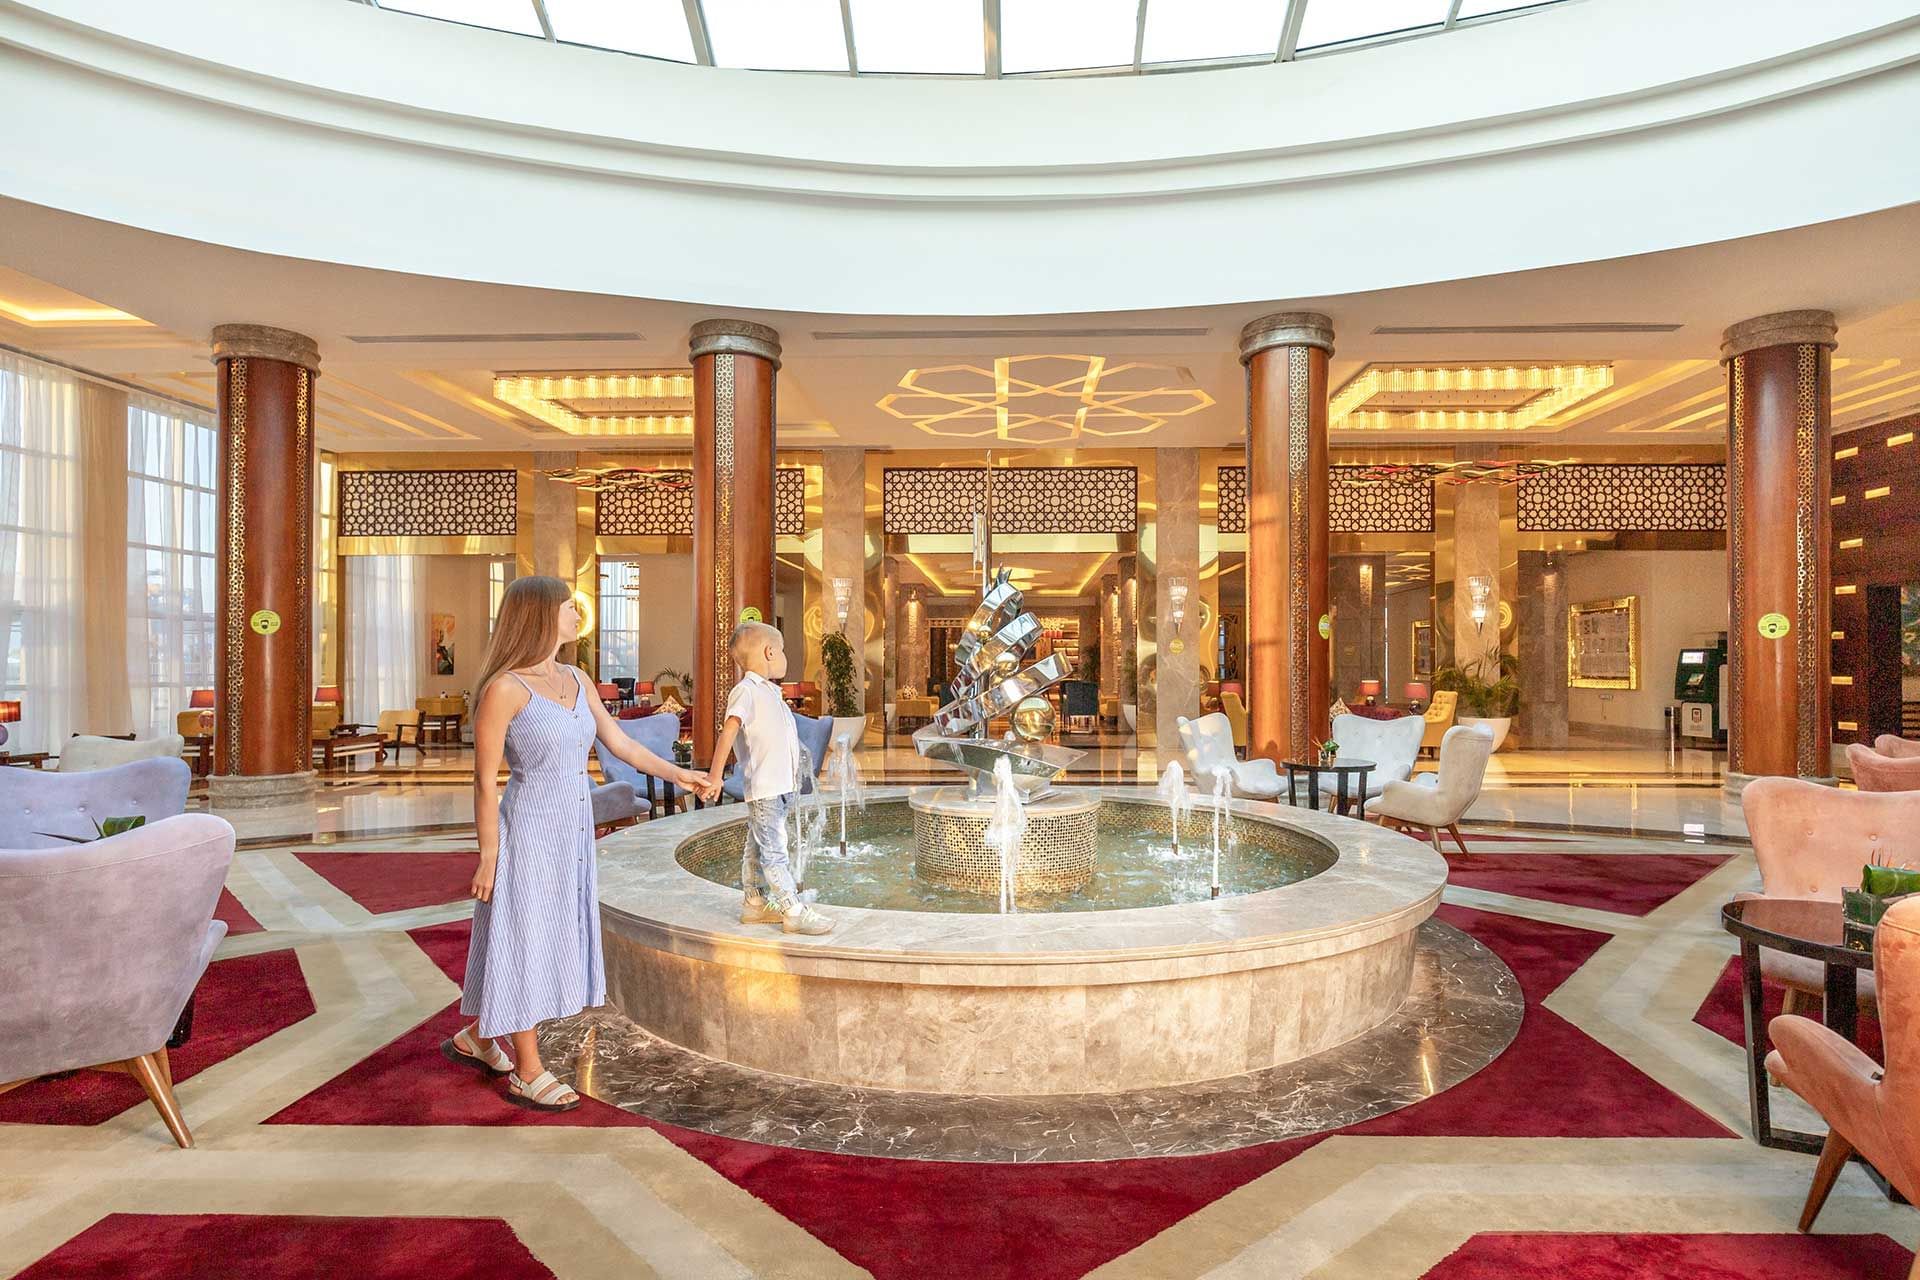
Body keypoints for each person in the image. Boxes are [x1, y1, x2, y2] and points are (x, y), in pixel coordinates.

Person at [441, 575, 708, 1112]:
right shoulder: (505, 688)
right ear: (539, 615)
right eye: (568, 607)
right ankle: (528, 1071)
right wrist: (489, 855)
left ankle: (478, 1035)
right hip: (528, 826)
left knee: (547, 928)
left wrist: (681, 776)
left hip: (572, 827)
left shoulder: (577, 678)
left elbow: (622, 743)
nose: (576, 615)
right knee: (525, 934)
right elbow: (483, 779)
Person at [701, 621, 834, 936]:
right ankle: (792, 909)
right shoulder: (746, 692)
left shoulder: (771, 694)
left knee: (757, 847)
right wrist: (715, 776)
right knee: (774, 850)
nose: (784, 656)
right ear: (770, 651)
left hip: (780, 787)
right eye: (783, 650)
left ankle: (754, 903)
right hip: (766, 788)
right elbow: (729, 731)